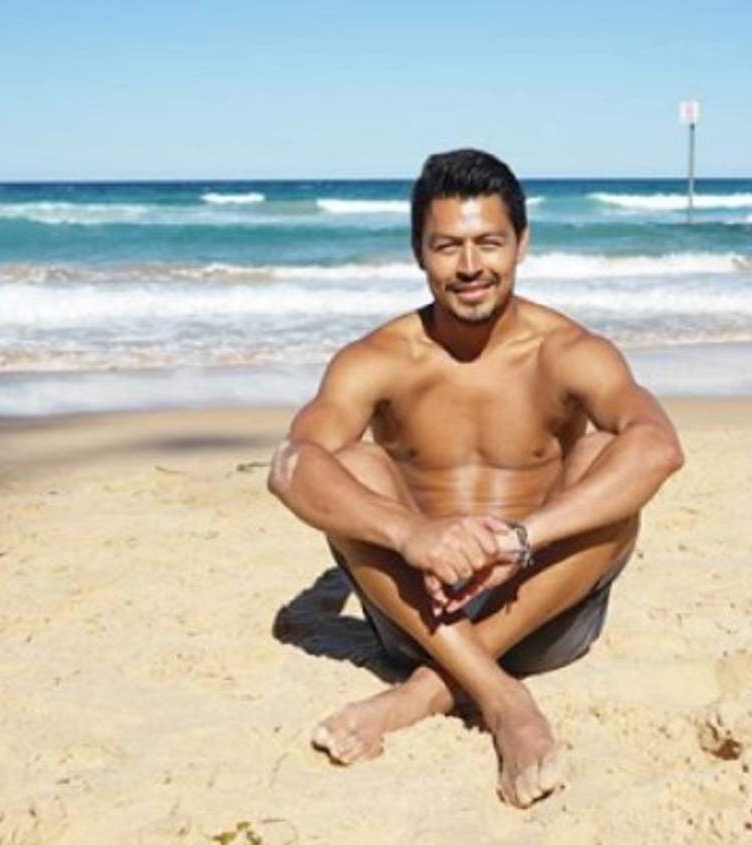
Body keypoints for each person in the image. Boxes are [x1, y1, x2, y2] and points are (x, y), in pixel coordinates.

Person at [268, 148, 684, 808]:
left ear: (521, 244)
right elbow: (291, 467)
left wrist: (521, 539)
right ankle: (502, 697)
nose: (469, 267)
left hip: (544, 612)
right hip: (421, 618)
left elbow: (658, 447)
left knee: (608, 458)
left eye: (489, 243)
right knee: (348, 465)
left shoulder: (567, 350)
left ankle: (424, 695)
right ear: (419, 252)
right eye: (447, 246)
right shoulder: (377, 358)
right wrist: (412, 535)